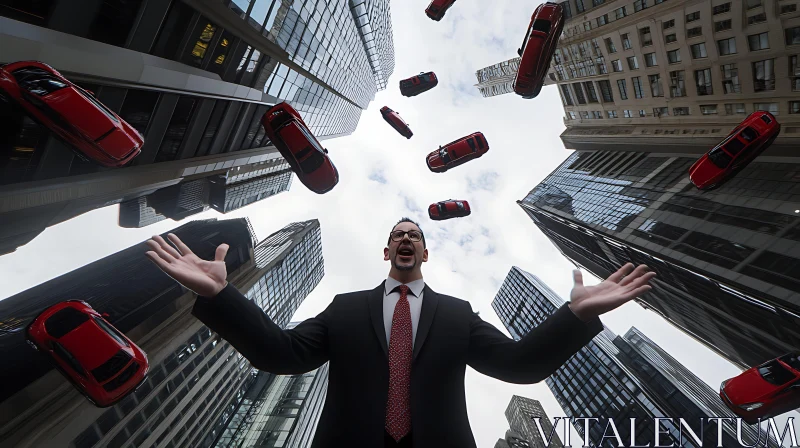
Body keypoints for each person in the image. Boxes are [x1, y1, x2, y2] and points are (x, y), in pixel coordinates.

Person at [145, 218, 655, 448]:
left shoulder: (457, 314)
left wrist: (577, 316)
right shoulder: (344, 310)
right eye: (397, 236)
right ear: (387, 252)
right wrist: (219, 296)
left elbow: (518, 365)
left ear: (425, 252)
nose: (406, 239)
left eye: (414, 235)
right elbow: (281, 354)